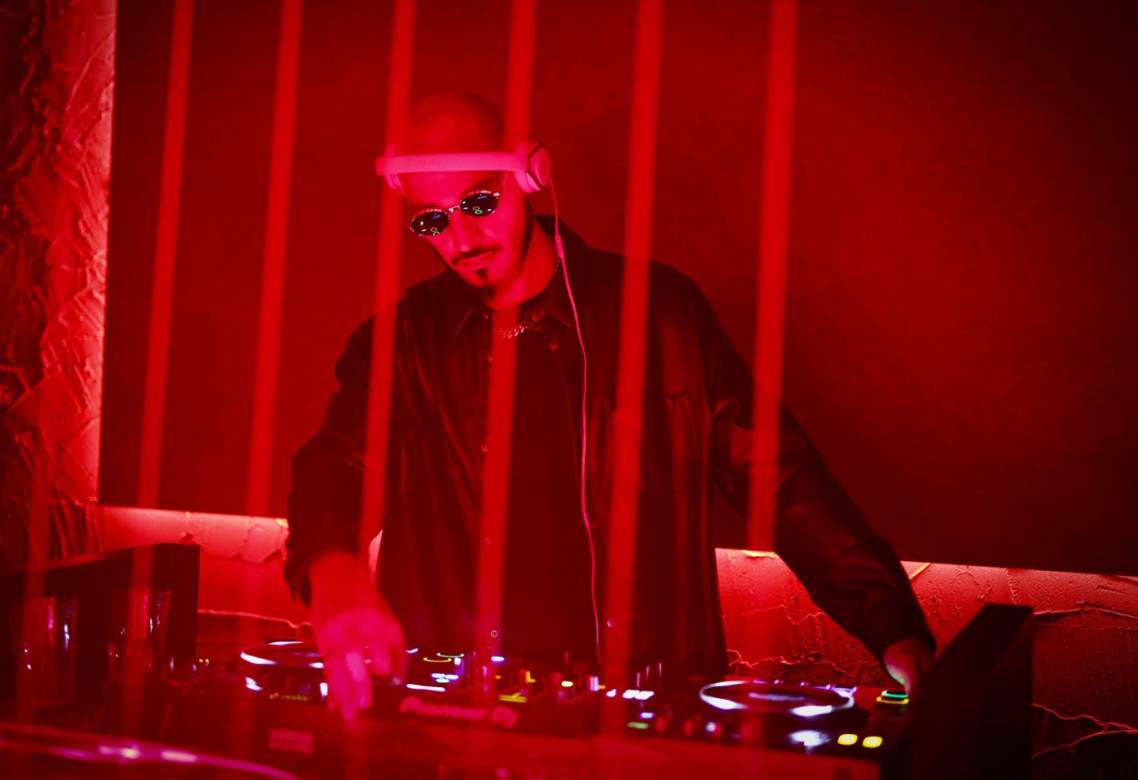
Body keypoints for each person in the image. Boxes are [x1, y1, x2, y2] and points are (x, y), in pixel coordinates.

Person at [284, 92, 936, 723]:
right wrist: (333, 568)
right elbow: (337, 464)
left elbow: (778, 478)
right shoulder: (399, 343)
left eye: (479, 202)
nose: (463, 236)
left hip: (640, 707)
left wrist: (893, 627)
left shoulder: (660, 315)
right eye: (432, 220)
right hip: (455, 715)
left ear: (529, 177)